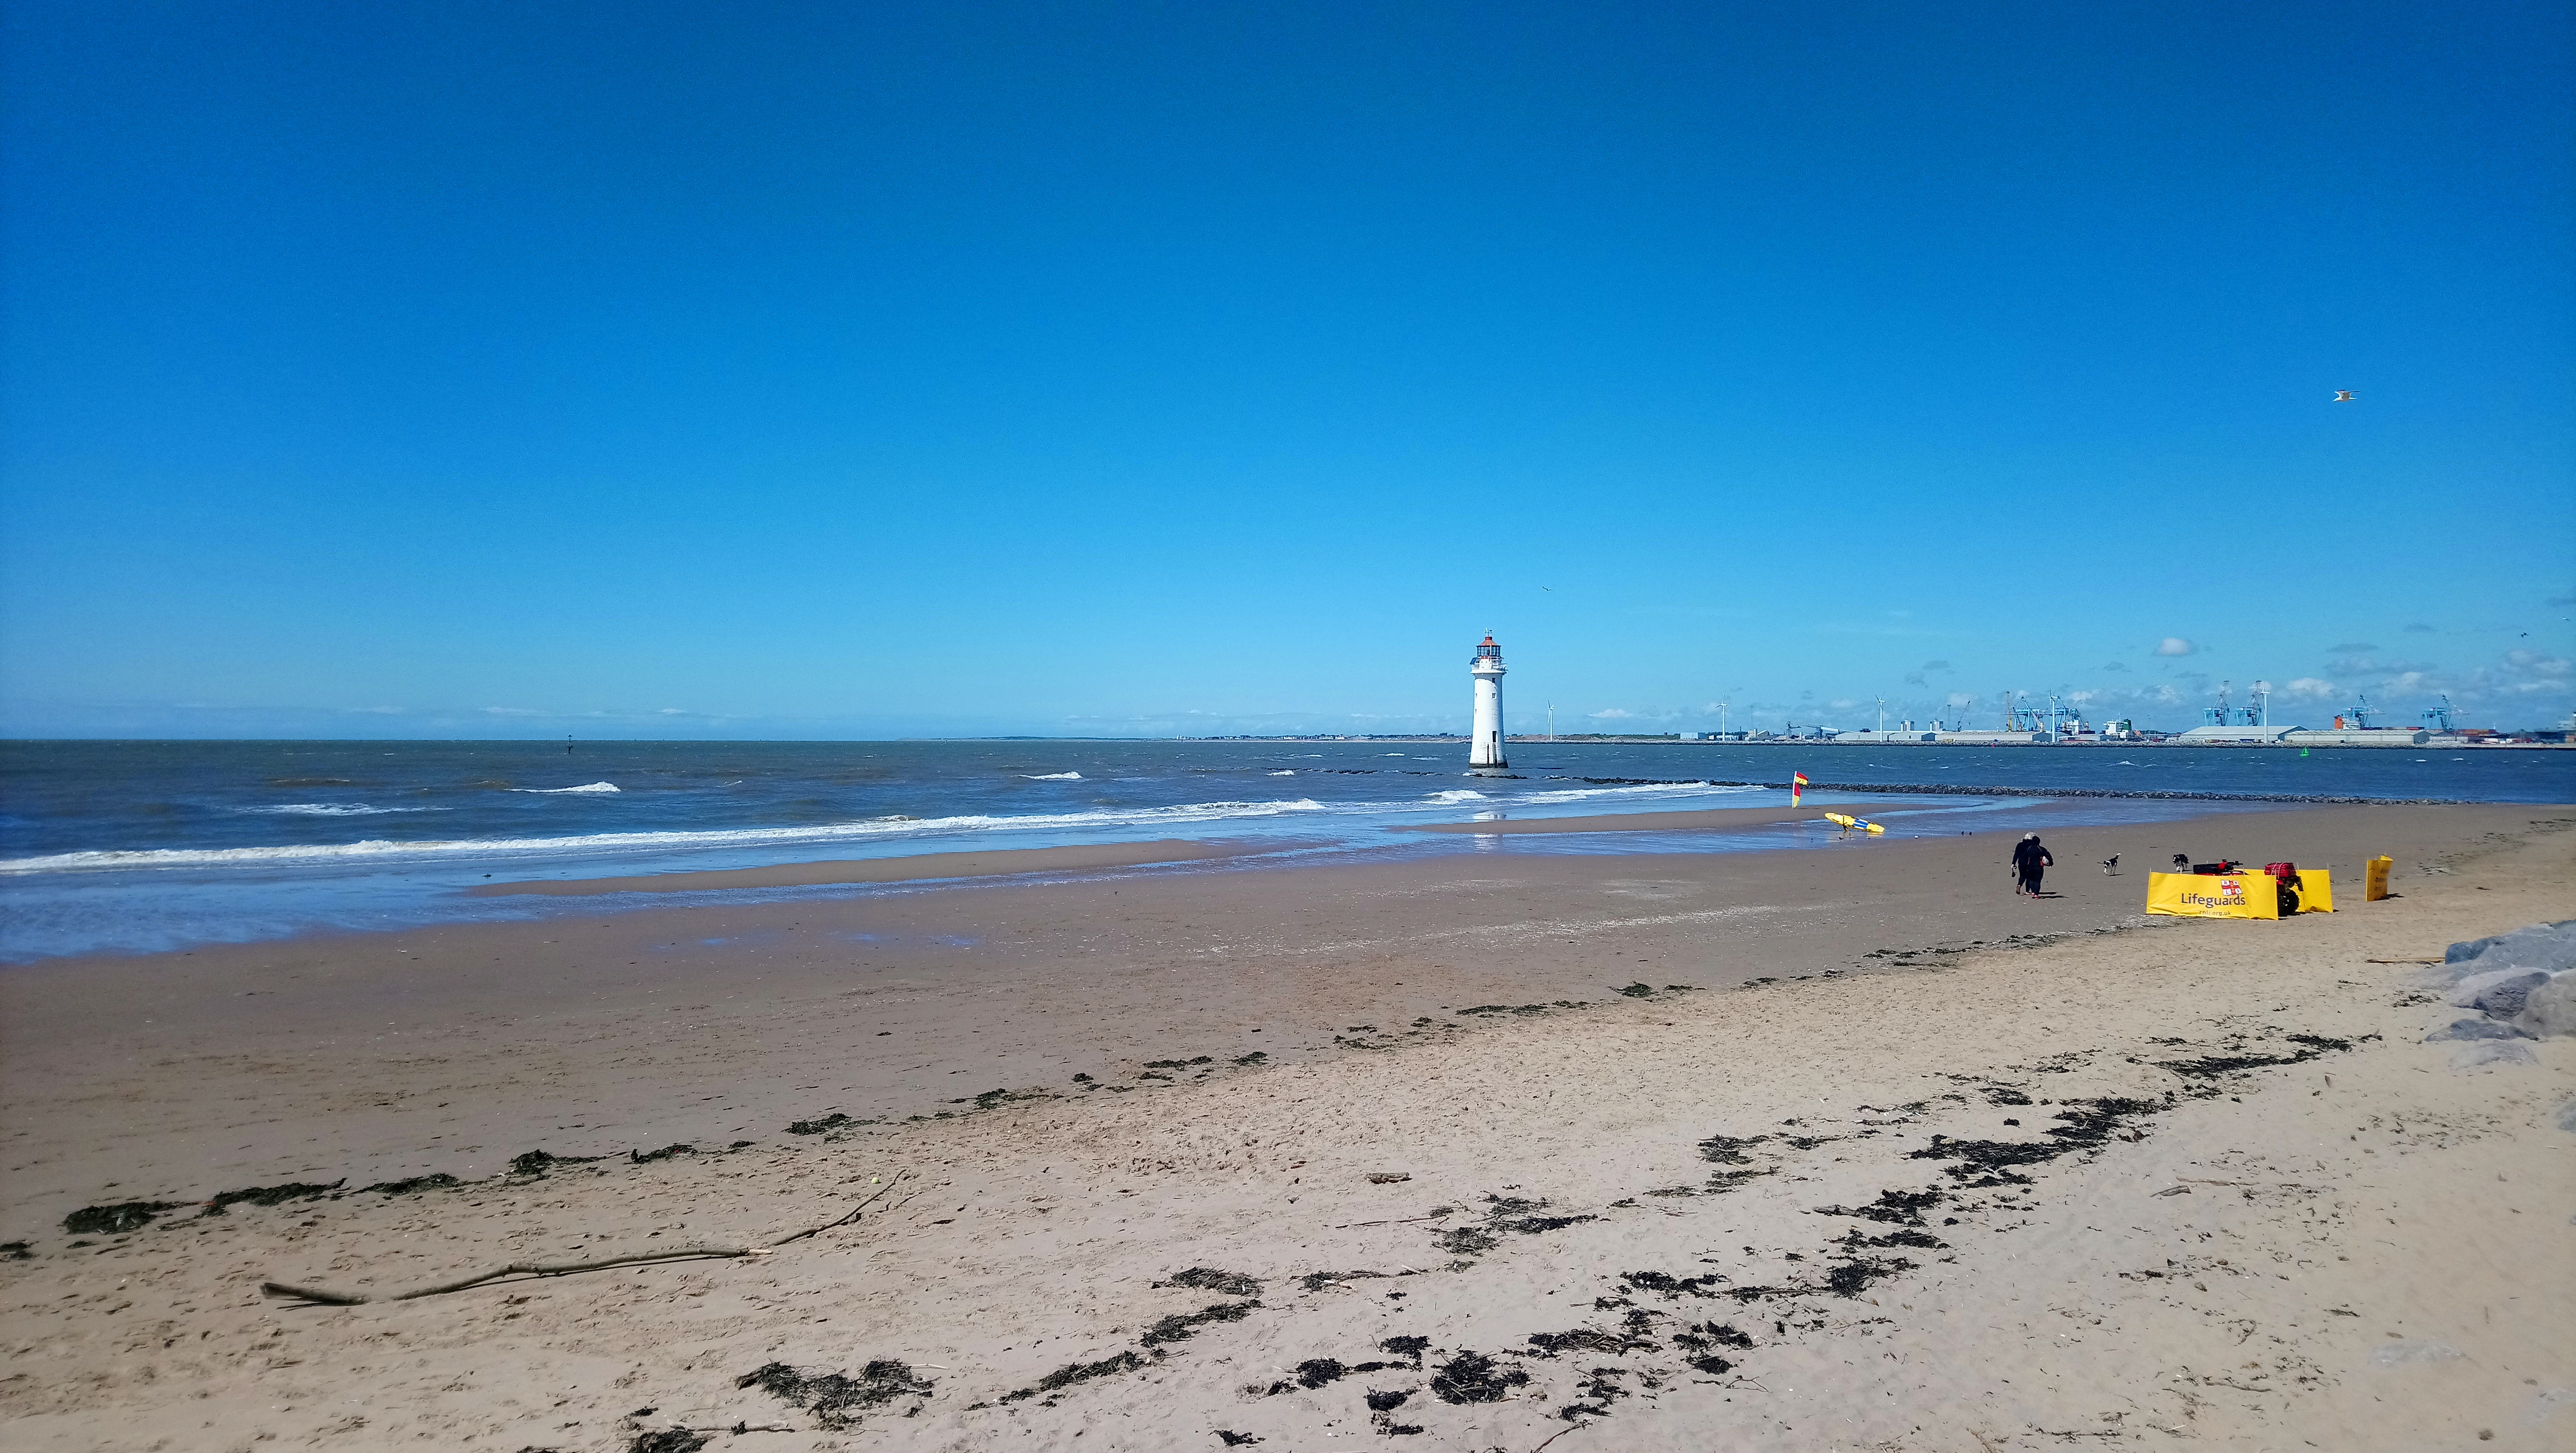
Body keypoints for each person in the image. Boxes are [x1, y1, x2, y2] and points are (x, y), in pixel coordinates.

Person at [2012, 832, 2053, 897]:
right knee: (2031, 878)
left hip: (2021, 863)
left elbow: (2016, 854)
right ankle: (2028, 891)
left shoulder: (2020, 845)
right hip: (2031, 864)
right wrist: (2050, 863)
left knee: (2023, 876)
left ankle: (2019, 885)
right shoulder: (2033, 847)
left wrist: (2013, 863)